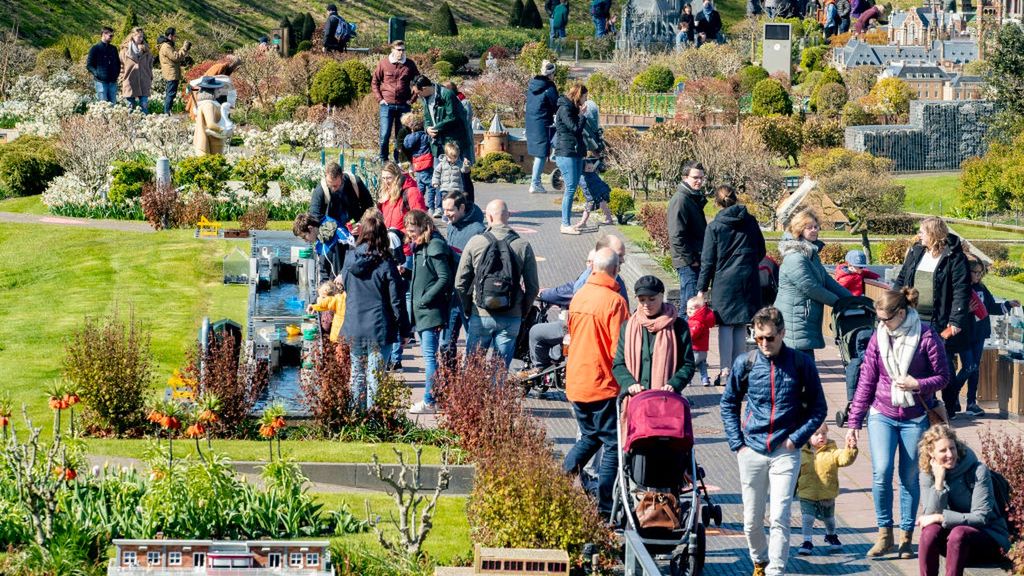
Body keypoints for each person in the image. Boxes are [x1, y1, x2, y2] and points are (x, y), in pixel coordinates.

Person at [720, 306, 828, 576]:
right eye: (758, 338)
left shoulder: (801, 363)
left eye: (769, 337)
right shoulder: (745, 362)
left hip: (785, 449)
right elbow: (729, 403)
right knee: (751, 521)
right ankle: (760, 561)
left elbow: (819, 408)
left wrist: (795, 439)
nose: (764, 343)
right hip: (751, 449)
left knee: (780, 515)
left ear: (782, 333)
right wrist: (738, 444)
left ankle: (776, 570)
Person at [845, 287, 950, 560]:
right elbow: (866, 380)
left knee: (909, 477)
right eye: (878, 319)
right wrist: (854, 422)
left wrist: (918, 384)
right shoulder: (878, 337)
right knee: (881, 471)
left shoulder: (926, 335)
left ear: (901, 313)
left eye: (885, 319)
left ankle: (905, 536)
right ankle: (884, 534)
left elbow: (943, 376)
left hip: (914, 416)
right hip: (882, 412)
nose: (881, 324)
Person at [563, 248, 629, 518]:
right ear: (616, 270)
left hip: (577, 379)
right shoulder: (615, 302)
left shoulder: (579, 296)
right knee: (612, 442)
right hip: (601, 382)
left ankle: (561, 478)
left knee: (591, 435)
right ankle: (605, 506)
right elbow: (618, 350)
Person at [893, 216, 972, 417]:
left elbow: (961, 290)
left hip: (939, 321)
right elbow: (902, 279)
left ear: (934, 234)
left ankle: (949, 407)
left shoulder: (954, 257)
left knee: (941, 364)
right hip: (912, 317)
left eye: (922, 232)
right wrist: (892, 304)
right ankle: (926, 406)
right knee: (915, 361)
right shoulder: (916, 251)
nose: (919, 235)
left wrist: (955, 321)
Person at [524, 236, 629, 378]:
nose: (623, 260)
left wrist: (545, 295)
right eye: (620, 255)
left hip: (579, 331)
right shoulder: (612, 281)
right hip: (589, 335)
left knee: (536, 332)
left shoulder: (594, 282)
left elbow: (569, 292)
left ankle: (540, 369)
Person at [454, 199, 539, 367]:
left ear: (489, 217)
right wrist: (522, 311)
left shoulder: (476, 242)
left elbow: (460, 283)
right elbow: (533, 287)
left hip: (480, 313)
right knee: (499, 371)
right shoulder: (522, 245)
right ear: (508, 216)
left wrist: (468, 307)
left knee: (473, 370)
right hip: (511, 315)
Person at [916, 425, 1011, 576]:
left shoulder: (978, 470)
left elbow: (981, 517)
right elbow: (930, 516)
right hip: (954, 544)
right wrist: (939, 482)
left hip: (989, 538)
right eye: (943, 450)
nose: (949, 454)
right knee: (929, 531)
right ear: (931, 453)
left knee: (958, 533)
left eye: (952, 448)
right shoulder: (928, 473)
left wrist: (941, 517)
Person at [696, 184, 767, 383]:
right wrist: (748, 264)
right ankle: (738, 370)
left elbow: (708, 261)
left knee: (726, 324)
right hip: (748, 279)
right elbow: (761, 250)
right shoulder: (750, 221)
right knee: (740, 325)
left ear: (717, 203)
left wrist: (701, 288)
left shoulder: (715, 226)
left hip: (724, 281)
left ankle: (725, 371)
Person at [341, 210, 406, 411]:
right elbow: (397, 300)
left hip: (354, 323)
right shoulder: (386, 262)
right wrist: (404, 330)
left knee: (357, 374)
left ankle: (356, 414)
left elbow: (346, 286)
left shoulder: (350, 258)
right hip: (379, 325)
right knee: (375, 375)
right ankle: (373, 418)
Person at [775, 209, 851, 358]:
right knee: (799, 362)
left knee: (804, 363)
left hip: (804, 316)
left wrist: (852, 299)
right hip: (794, 317)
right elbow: (811, 288)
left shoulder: (811, 254)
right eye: (809, 227)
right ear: (799, 229)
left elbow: (827, 280)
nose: (814, 230)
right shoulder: (795, 257)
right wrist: (839, 303)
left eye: (816, 227)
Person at [952, 257, 1020, 419]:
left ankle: (971, 403)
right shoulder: (960, 288)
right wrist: (966, 310)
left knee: (975, 368)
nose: (977, 275)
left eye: (980, 273)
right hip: (964, 335)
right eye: (974, 272)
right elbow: (952, 311)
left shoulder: (981, 288)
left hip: (980, 334)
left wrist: (1008, 304)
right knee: (969, 367)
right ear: (966, 271)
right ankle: (952, 394)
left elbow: (991, 307)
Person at [613, 274, 696, 396]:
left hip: (665, 399)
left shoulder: (678, 326)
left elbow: (688, 364)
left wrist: (674, 384)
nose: (646, 304)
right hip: (636, 399)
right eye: (642, 300)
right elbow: (618, 364)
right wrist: (629, 383)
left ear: (662, 296)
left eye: (652, 299)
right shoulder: (628, 326)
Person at [405, 210, 453, 415]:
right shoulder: (421, 246)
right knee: (431, 357)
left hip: (430, 312)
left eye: (412, 230)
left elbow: (444, 278)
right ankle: (434, 397)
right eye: (408, 230)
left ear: (423, 226)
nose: (409, 234)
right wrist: (407, 272)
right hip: (424, 311)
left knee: (429, 358)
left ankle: (429, 401)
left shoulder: (434, 246)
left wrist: (425, 299)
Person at [796, 423, 859, 556]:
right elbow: (795, 472)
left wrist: (851, 448)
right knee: (807, 518)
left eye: (824, 433)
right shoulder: (801, 453)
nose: (821, 437)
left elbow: (845, 459)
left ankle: (831, 535)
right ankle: (807, 541)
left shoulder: (832, 451)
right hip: (807, 493)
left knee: (829, 519)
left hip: (827, 493)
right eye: (816, 434)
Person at [441, 191, 485, 357]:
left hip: (468, 294)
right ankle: (448, 371)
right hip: (453, 294)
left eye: (450, 210)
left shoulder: (478, 230)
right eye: (444, 210)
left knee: (472, 340)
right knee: (446, 343)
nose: (446, 214)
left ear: (462, 208)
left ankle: (471, 371)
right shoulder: (451, 226)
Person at [668, 161, 708, 311]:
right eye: (695, 177)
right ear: (685, 178)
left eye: (701, 178)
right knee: (690, 307)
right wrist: (691, 260)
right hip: (688, 262)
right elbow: (676, 236)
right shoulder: (681, 199)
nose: (699, 181)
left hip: (692, 259)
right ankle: (684, 327)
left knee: (690, 305)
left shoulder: (691, 197)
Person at [372, 41, 420, 164]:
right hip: (387, 105)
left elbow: (418, 82)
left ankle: (399, 160)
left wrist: (412, 99)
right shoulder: (384, 63)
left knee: (401, 135)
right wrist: (380, 99)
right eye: (399, 50)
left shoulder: (409, 64)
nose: (401, 52)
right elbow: (375, 82)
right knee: (384, 134)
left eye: (403, 50)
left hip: (403, 105)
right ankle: (383, 159)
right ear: (392, 50)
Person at [413, 76, 471, 169]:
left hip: (452, 141)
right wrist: (427, 129)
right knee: (438, 173)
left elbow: (452, 117)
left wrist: (435, 129)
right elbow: (427, 117)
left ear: (424, 89)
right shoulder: (425, 99)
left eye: (418, 93)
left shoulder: (447, 94)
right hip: (437, 142)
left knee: (457, 172)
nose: (417, 96)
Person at [554, 83, 588, 235]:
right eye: (585, 96)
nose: (586, 99)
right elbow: (575, 128)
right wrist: (582, 115)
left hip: (575, 151)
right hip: (566, 152)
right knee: (570, 188)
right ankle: (565, 224)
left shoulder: (573, 109)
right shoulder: (565, 109)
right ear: (579, 95)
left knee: (573, 187)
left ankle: (566, 223)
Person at [576, 98, 614, 229]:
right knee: (599, 197)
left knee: (591, 198)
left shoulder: (587, 137)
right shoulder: (592, 138)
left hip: (587, 176)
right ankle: (608, 218)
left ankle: (583, 222)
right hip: (591, 174)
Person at [525, 60, 559, 194]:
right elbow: (556, 105)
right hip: (543, 123)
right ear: (551, 74)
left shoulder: (532, 85)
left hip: (531, 122)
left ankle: (536, 181)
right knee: (542, 153)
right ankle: (535, 183)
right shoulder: (549, 87)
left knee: (539, 153)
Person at [292, 212, 354, 283]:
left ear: (310, 228)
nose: (305, 241)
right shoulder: (319, 243)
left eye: (304, 237)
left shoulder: (339, 235)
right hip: (335, 285)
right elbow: (324, 272)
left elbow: (355, 257)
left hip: (349, 283)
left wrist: (343, 274)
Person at [309, 162, 374, 229]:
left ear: (342, 176)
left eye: (335, 186)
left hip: (354, 224)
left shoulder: (354, 182)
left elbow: (369, 206)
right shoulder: (320, 190)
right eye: (330, 184)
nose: (333, 189)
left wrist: (361, 223)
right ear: (326, 176)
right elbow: (314, 216)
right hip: (333, 230)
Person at [402, 112, 439, 218]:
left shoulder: (410, 137)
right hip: (427, 162)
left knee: (420, 187)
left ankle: (418, 205)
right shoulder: (425, 136)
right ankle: (431, 206)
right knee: (431, 186)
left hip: (417, 164)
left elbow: (406, 145)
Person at [378, 162, 427, 233]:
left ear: (397, 177)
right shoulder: (385, 194)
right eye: (383, 178)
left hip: (406, 236)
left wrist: (398, 234)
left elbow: (420, 221)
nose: (386, 182)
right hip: (388, 236)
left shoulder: (412, 192)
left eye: (389, 178)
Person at [119, 27, 154, 114]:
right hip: (129, 79)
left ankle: (146, 122)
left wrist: (150, 76)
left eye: (142, 36)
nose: (141, 39)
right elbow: (121, 65)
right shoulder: (125, 50)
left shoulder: (146, 50)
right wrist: (122, 76)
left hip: (144, 80)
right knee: (130, 106)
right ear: (133, 36)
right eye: (139, 36)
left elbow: (150, 64)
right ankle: (131, 122)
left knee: (144, 105)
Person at [157, 28, 191, 115]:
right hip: (171, 74)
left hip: (172, 73)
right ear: (170, 36)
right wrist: (184, 48)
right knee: (171, 94)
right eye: (175, 36)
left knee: (171, 93)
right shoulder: (166, 46)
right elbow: (176, 57)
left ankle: (168, 112)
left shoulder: (168, 45)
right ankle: (167, 113)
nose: (176, 38)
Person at [86, 27, 121, 104]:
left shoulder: (113, 49)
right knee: (103, 106)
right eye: (110, 35)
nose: (111, 37)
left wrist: (116, 74)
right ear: (103, 34)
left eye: (112, 36)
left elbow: (118, 63)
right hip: (101, 82)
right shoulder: (95, 48)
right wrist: (97, 74)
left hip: (113, 82)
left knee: (113, 105)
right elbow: (89, 65)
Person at [192, 76, 225, 156]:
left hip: (213, 139)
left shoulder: (207, 104)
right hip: (211, 139)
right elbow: (210, 124)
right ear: (212, 90)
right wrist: (224, 130)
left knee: (215, 161)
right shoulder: (208, 105)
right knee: (213, 161)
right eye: (217, 88)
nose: (219, 90)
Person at [686, 297, 715, 387]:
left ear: (699, 310)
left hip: (695, 349)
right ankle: (705, 379)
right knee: (702, 365)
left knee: (689, 365)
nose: (688, 310)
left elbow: (692, 335)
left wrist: (684, 336)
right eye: (688, 308)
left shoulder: (696, 322)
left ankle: (687, 380)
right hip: (703, 349)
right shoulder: (703, 321)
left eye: (692, 308)